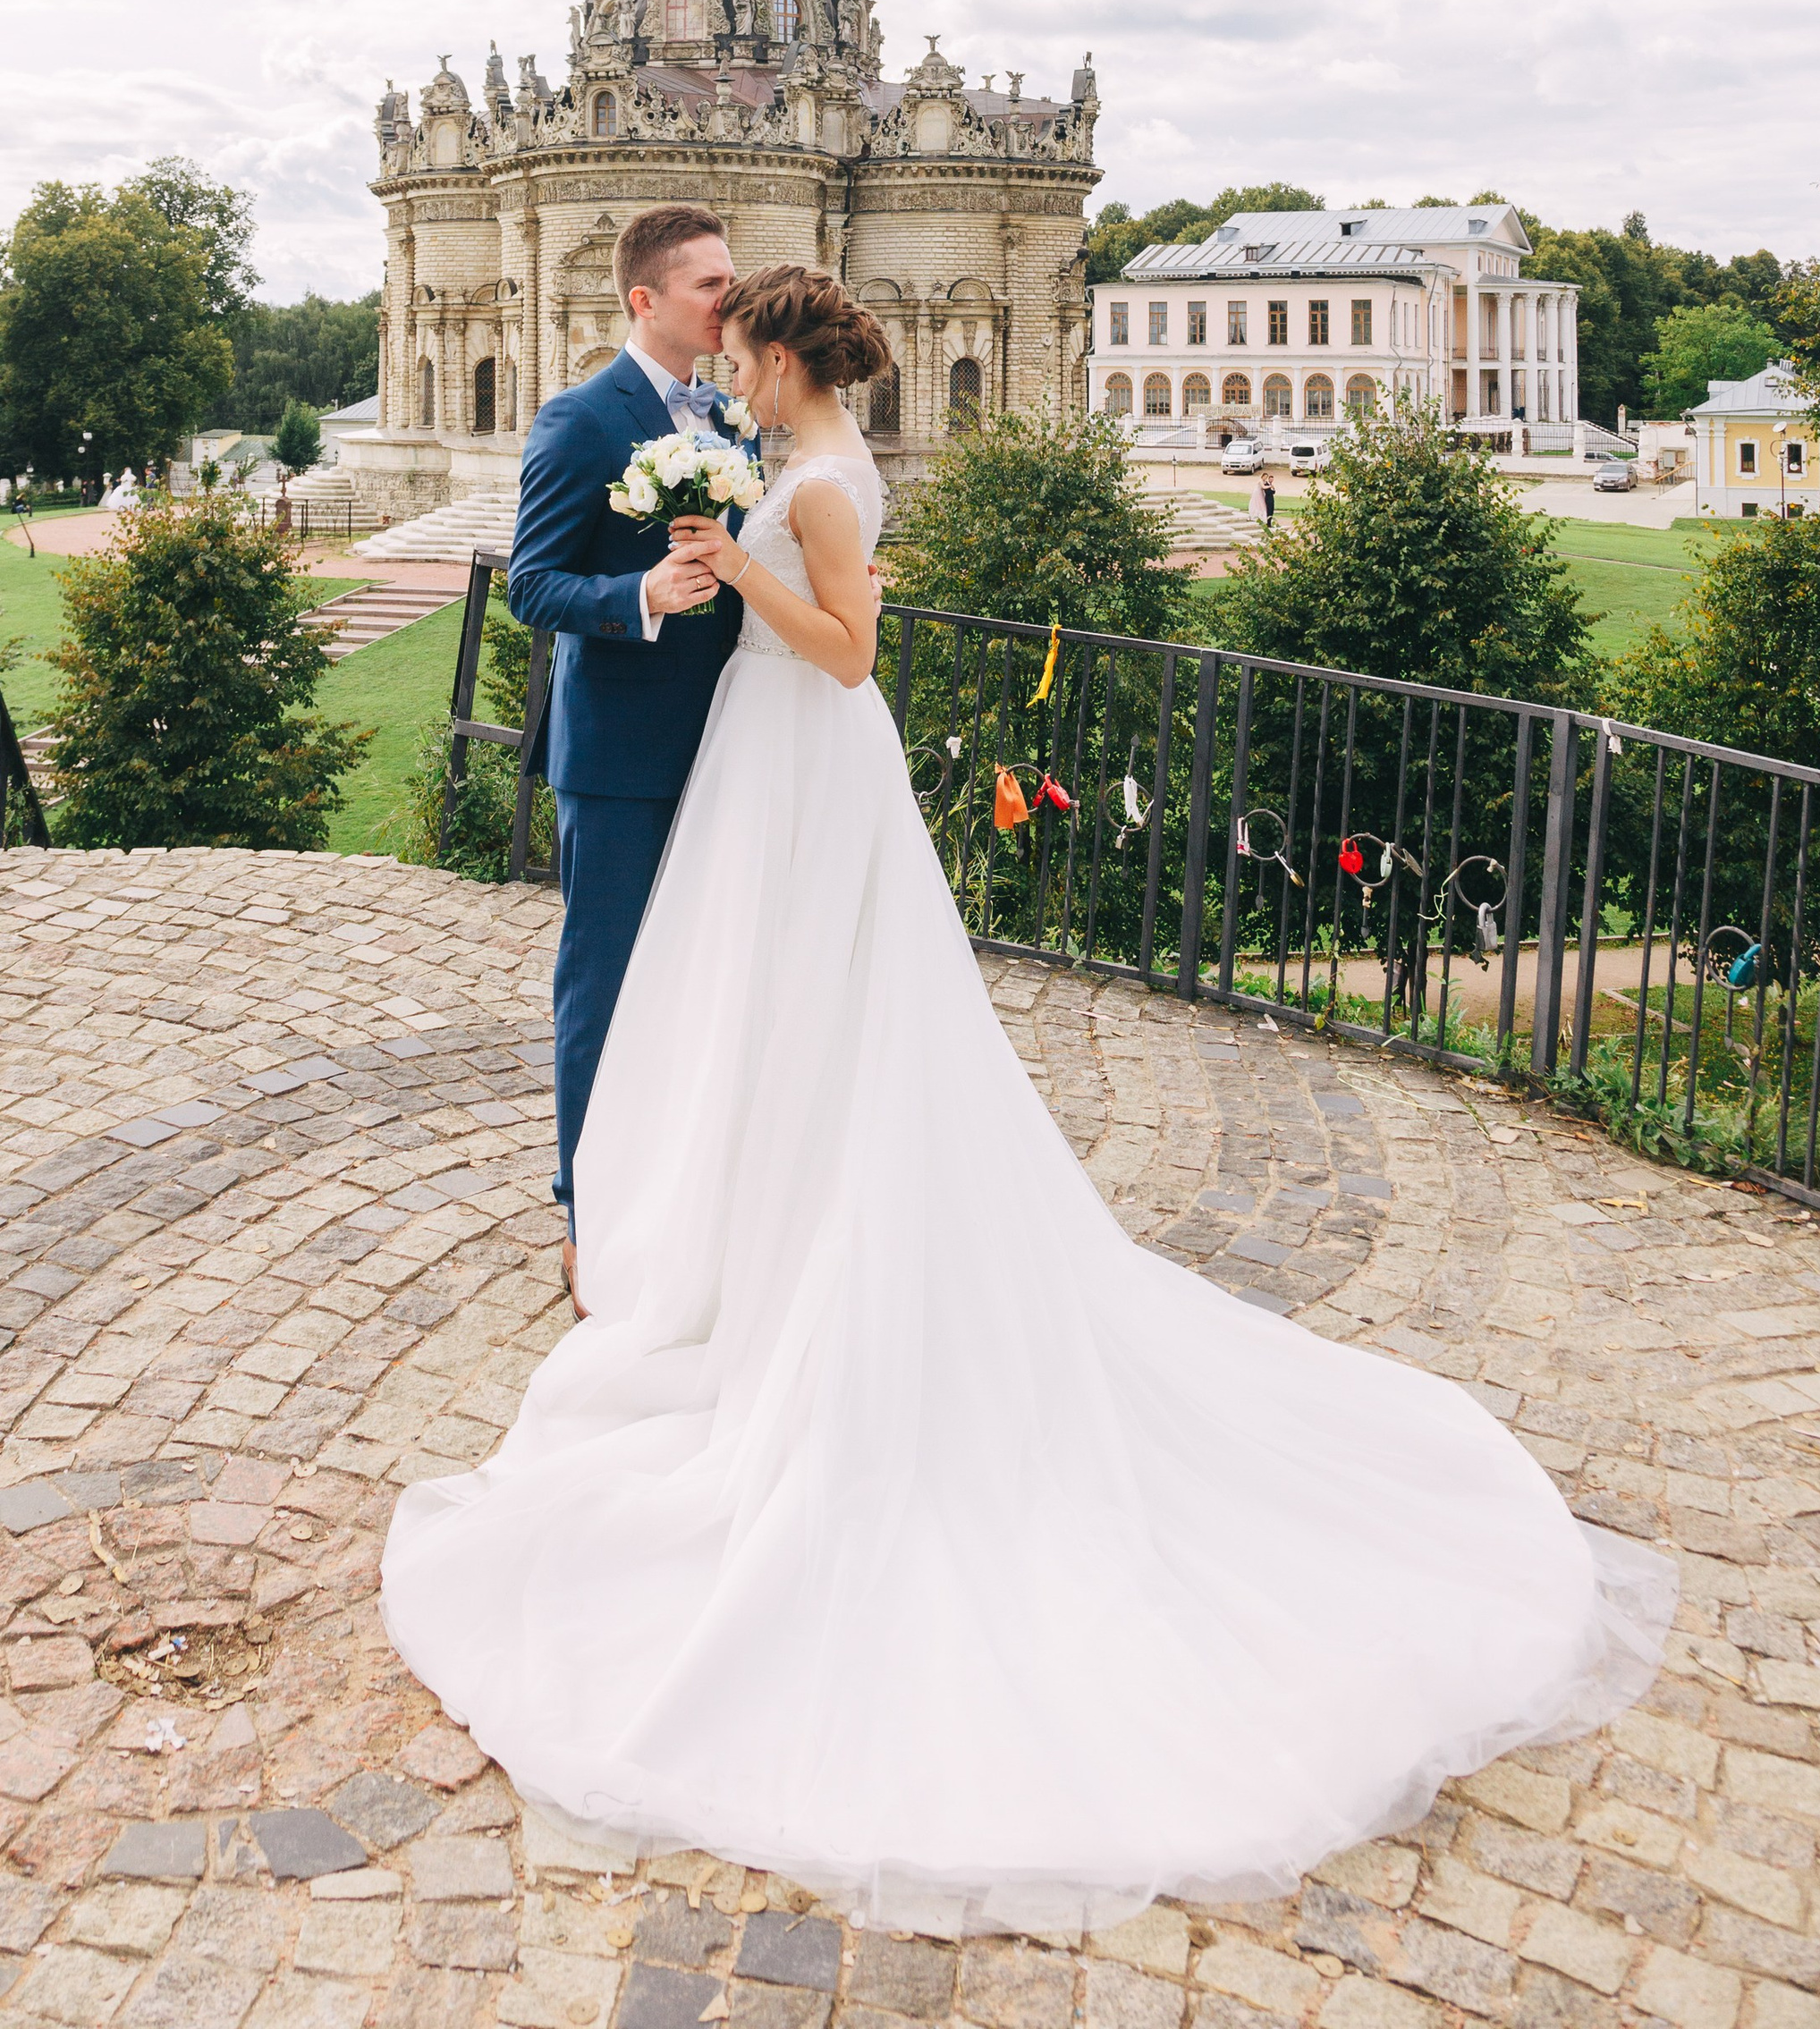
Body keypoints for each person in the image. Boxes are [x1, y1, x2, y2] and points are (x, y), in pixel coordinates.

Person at [385, 265, 1675, 1936]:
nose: (732, 369)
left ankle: (815, 1271)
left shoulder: (827, 478)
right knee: (779, 1025)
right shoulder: (784, 456)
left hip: (811, 749)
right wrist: (707, 558)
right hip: (761, 774)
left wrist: (726, 573)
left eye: (746, 346)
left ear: (781, 358)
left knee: (835, 1029)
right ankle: (747, 1250)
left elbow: (849, 657)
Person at [503, 203, 755, 1321]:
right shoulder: (579, 422)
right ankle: (585, 1214)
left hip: (733, 742)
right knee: (601, 991)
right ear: (645, 300)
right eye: (710, 285)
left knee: (707, 983)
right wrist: (636, 597)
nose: (729, 301)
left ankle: (685, 1199)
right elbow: (531, 584)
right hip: (616, 755)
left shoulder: (736, 419)